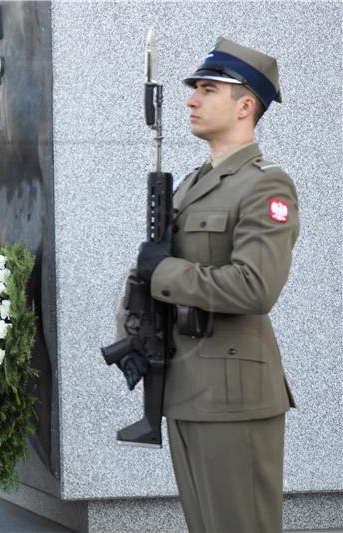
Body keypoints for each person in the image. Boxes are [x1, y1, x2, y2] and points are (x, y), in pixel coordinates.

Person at [133, 38, 299, 532]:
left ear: (246, 105)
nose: (191, 99)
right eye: (194, 89)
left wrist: (161, 274)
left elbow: (255, 287)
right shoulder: (190, 183)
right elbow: (161, 265)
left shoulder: (266, 185)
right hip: (188, 387)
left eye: (208, 89)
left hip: (234, 396)